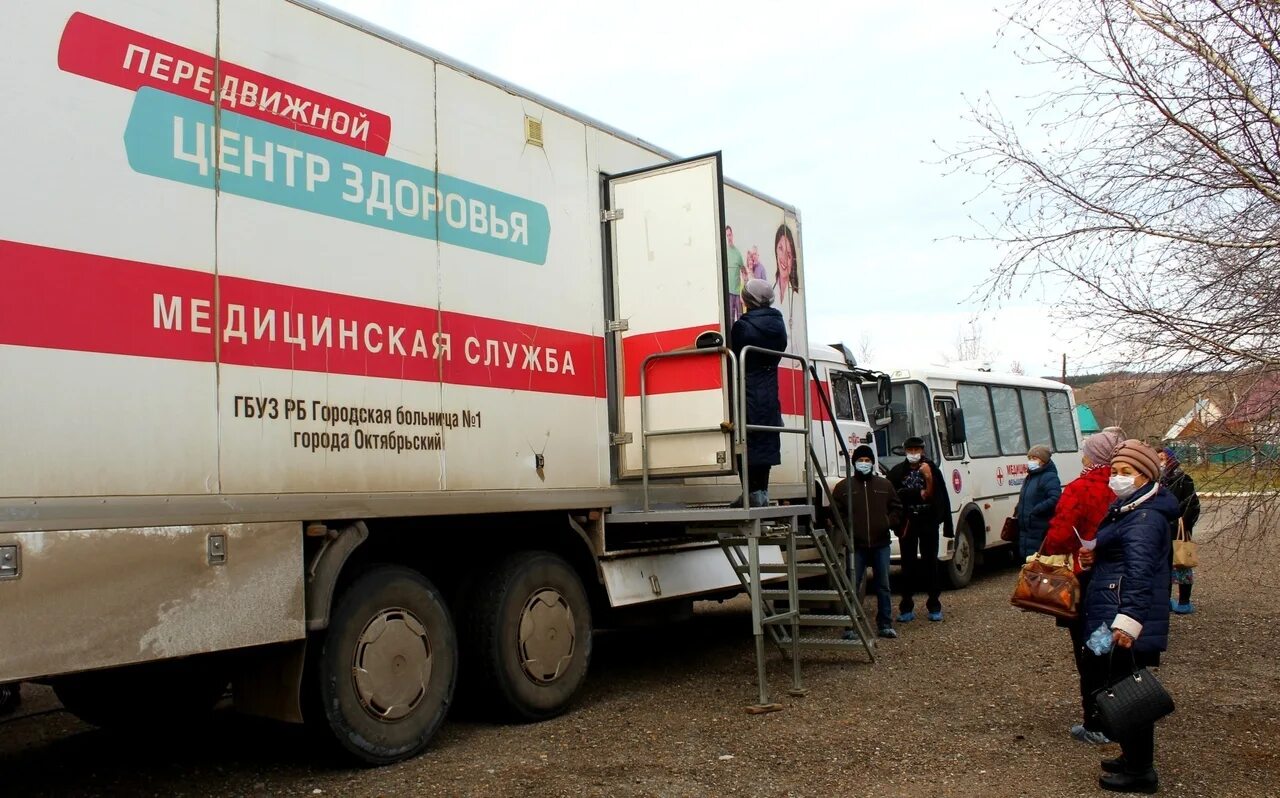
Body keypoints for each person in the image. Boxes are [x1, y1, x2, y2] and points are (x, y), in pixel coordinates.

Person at [1078, 439, 1178, 794]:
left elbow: (1140, 572)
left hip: (1123, 616)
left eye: (1127, 473)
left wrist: (1129, 620)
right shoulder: (1130, 509)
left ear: (1146, 476)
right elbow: (1120, 557)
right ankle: (1132, 756)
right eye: (1115, 472)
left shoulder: (1145, 517)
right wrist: (1095, 558)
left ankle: (1141, 770)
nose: (1118, 479)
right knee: (1113, 679)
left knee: (1128, 689)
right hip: (1113, 608)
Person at [1042, 429, 1124, 746]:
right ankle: (1123, 709)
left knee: (1089, 650)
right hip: (1122, 580)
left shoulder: (1080, 487)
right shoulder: (1127, 488)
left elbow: (1060, 535)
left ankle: (1097, 719)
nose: (1083, 456)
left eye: (1087, 452)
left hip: (1086, 578)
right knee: (1111, 645)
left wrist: (1049, 549)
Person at [832, 445, 904, 638]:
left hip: (881, 543)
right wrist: (848, 527)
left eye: (867, 460)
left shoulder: (885, 485)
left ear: (872, 462)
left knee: (883, 585)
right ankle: (850, 626)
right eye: (860, 460)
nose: (864, 463)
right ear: (854, 462)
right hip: (856, 545)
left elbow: (897, 507)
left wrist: (888, 522)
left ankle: (885, 624)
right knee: (852, 586)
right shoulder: (843, 487)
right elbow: (835, 512)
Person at [731, 278, 787, 507]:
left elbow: (733, 352)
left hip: (747, 385)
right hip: (769, 387)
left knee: (743, 438)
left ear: (747, 300)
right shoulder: (779, 324)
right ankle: (762, 491)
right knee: (765, 437)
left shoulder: (743, 327)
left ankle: (750, 492)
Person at [886, 436, 954, 622]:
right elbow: (893, 496)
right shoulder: (898, 472)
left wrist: (947, 526)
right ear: (905, 451)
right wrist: (914, 494)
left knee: (930, 563)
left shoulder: (932, 469)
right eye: (910, 450)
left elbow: (940, 497)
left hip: (928, 522)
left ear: (923, 451)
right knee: (907, 564)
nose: (914, 454)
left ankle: (934, 604)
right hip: (907, 523)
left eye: (917, 450)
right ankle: (906, 606)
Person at [1159, 447, 1201, 614]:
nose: (1160, 463)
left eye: (1162, 458)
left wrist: (1182, 521)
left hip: (1179, 531)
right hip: (1162, 530)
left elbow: (1193, 504)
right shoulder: (1156, 480)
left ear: (1170, 459)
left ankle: (1184, 602)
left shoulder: (1183, 479)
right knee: (1163, 567)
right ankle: (1165, 600)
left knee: (1182, 563)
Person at [1013, 444, 1062, 559]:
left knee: (1039, 563)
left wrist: (1037, 510)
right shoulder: (1030, 477)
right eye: (1029, 458)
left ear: (1044, 460)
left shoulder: (1049, 477)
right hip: (1027, 529)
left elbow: (1055, 498)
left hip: (1040, 528)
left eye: (1034, 458)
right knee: (1028, 562)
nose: (1031, 461)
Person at [772, 224, 800, 348]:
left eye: (788, 254)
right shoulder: (766, 297)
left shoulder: (797, 300)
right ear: (775, 251)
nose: (783, 258)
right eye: (780, 249)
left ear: (792, 259)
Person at [725, 225, 745, 322]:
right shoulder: (723, 253)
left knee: (741, 321)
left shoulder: (738, 253)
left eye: (730, 235)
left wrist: (743, 291)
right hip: (728, 294)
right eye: (726, 236)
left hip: (738, 294)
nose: (729, 238)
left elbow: (744, 272)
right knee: (730, 321)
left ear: (732, 235)